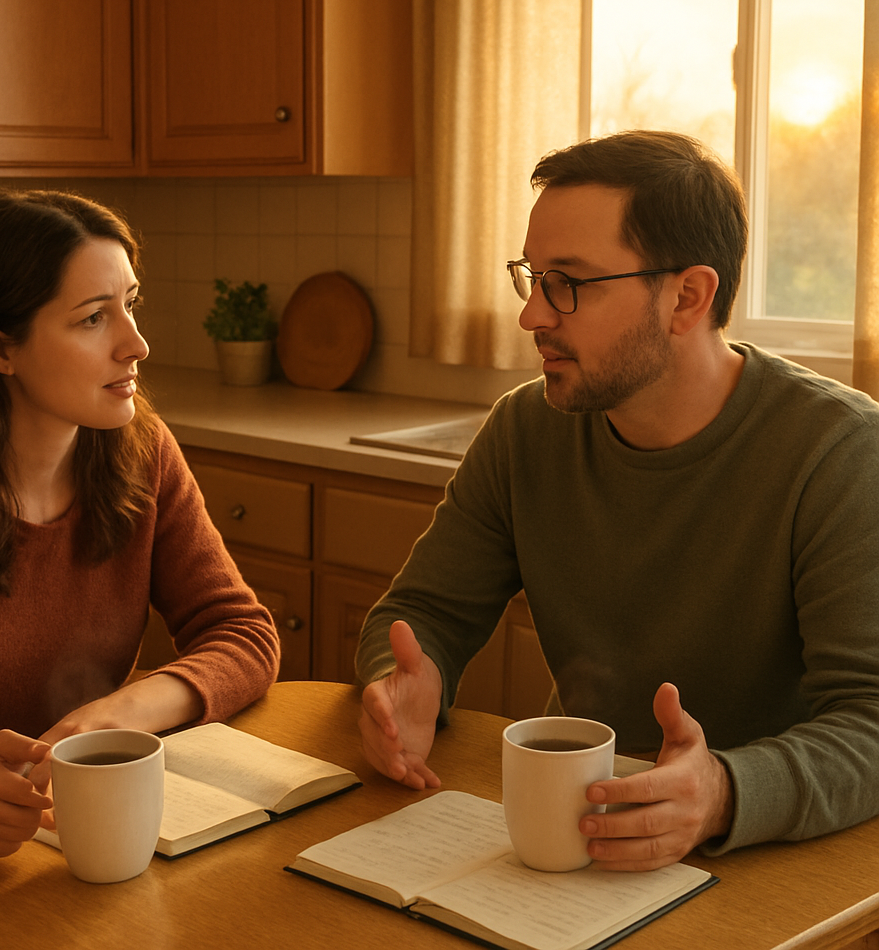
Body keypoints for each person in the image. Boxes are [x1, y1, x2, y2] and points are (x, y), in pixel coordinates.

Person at [356, 130, 879, 872]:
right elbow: (423, 615)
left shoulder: (842, 454)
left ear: (687, 297)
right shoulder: (524, 430)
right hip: (577, 836)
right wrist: (402, 684)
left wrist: (724, 791)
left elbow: (871, 723)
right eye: (532, 278)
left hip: (773, 862)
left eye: (567, 282)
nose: (532, 316)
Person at [0, 190, 280, 859]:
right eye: (91, 319)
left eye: (130, 305)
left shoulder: (145, 453)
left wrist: (117, 714)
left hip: (76, 843)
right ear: (0, 349)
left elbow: (243, 633)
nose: (135, 344)